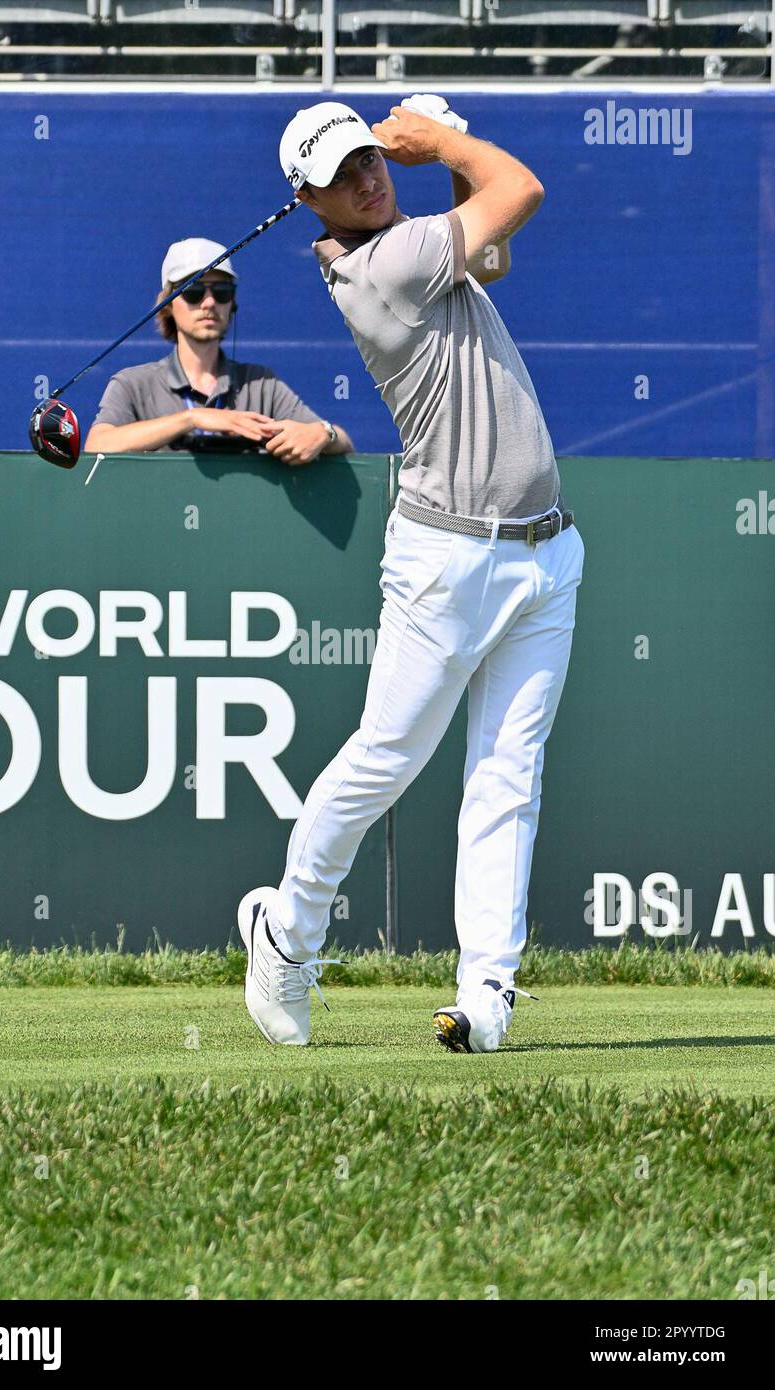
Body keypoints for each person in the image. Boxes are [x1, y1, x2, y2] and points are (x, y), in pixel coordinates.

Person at [238, 97, 585, 1054]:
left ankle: (486, 994)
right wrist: (443, 145)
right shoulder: (386, 264)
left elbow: (494, 242)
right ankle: (287, 934)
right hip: (447, 558)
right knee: (383, 760)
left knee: (506, 778)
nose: (367, 175)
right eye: (345, 172)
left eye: (371, 156)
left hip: (543, 552)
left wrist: (441, 157)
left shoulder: (410, 241)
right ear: (309, 201)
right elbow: (521, 188)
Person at [85, 238, 353, 464]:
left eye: (222, 291)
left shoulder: (261, 383)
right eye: (194, 291)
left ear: (232, 303)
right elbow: (97, 444)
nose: (209, 302)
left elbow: (342, 441)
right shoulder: (133, 383)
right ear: (166, 304)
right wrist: (192, 418)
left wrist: (322, 434)